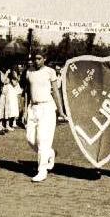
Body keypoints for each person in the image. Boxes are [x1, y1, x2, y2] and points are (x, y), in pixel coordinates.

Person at [25, 51, 66, 182]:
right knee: (30, 139)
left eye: (39, 59)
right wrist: (25, 110)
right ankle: (50, 153)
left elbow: (56, 92)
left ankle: (42, 171)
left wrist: (61, 110)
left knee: (42, 140)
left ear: (44, 59)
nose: (36, 61)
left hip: (47, 108)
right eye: (34, 59)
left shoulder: (50, 72)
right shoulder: (29, 72)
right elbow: (27, 91)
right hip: (33, 108)